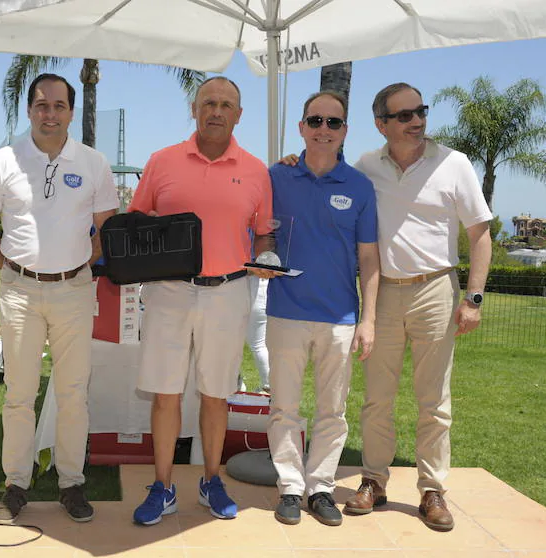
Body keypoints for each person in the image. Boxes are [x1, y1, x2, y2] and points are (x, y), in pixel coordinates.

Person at [0, 74, 118, 523]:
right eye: (40, 105)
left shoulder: (93, 162)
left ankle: (71, 483)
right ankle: (17, 482)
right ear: (29, 110)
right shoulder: (3, 161)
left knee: (74, 393)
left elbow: (107, 230)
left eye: (58, 105)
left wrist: (78, 266)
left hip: (74, 291)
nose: (49, 113)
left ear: (71, 112)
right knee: (18, 394)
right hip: (20, 292)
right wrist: (13, 271)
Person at [345, 82, 492, 531]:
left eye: (421, 112)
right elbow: (328, 186)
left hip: (436, 290)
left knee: (434, 400)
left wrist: (473, 298)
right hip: (382, 293)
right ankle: (373, 480)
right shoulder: (366, 166)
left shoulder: (455, 164)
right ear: (381, 124)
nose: (417, 121)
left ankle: (432, 490)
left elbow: (480, 235)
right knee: (377, 399)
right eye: (405, 115)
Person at [128, 76, 274, 526]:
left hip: (228, 293)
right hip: (169, 290)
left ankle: (212, 480)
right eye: (208, 102)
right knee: (166, 394)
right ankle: (163, 486)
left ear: (238, 115)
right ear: (194, 110)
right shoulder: (162, 161)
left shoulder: (255, 170)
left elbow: (264, 230)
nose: (216, 111)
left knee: (216, 395)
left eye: (226, 104)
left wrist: (267, 253)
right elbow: (136, 218)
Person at [266, 92, 380, 527]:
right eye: (315, 120)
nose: (323, 129)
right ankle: (290, 488)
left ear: (345, 132)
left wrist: (368, 319)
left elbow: (369, 259)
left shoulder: (359, 187)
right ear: (301, 128)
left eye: (333, 123)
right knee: (284, 409)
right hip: (285, 312)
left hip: (340, 318)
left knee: (332, 412)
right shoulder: (277, 175)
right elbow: (256, 231)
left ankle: (321, 488)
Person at [243, 276, 270, 393]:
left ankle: (268, 386)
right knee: (259, 344)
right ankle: (268, 385)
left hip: (249, 289)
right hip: (264, 289)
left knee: (258, 345)